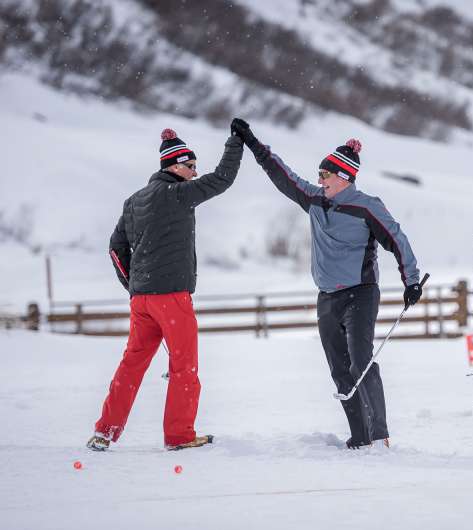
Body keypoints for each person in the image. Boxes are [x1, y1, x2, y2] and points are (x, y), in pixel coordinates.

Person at [230, 118, 423, 449]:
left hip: (361, 293)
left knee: (360, 360)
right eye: (319, 175)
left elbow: (397, 239)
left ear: (344, 178)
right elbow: (282, 175)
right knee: (339, 369)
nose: (319, 179)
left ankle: (379, 435)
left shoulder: (367, 207)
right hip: (327, 299)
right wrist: (252, 142)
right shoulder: (315, 200)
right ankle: (360, 437)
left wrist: (412, 281)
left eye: (325, 175)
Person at [86, 123, 244, 451]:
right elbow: (223, 179)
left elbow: (116, 249)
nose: (195, 172)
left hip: (142, 300)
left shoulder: (133, 201)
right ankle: (179, 435)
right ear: (173, 166)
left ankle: (104, 432)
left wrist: (133, 285)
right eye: (190, 166)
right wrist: (235, 143)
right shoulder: (178, 194)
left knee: (131, 365)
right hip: (171, 296)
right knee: (184, 366)